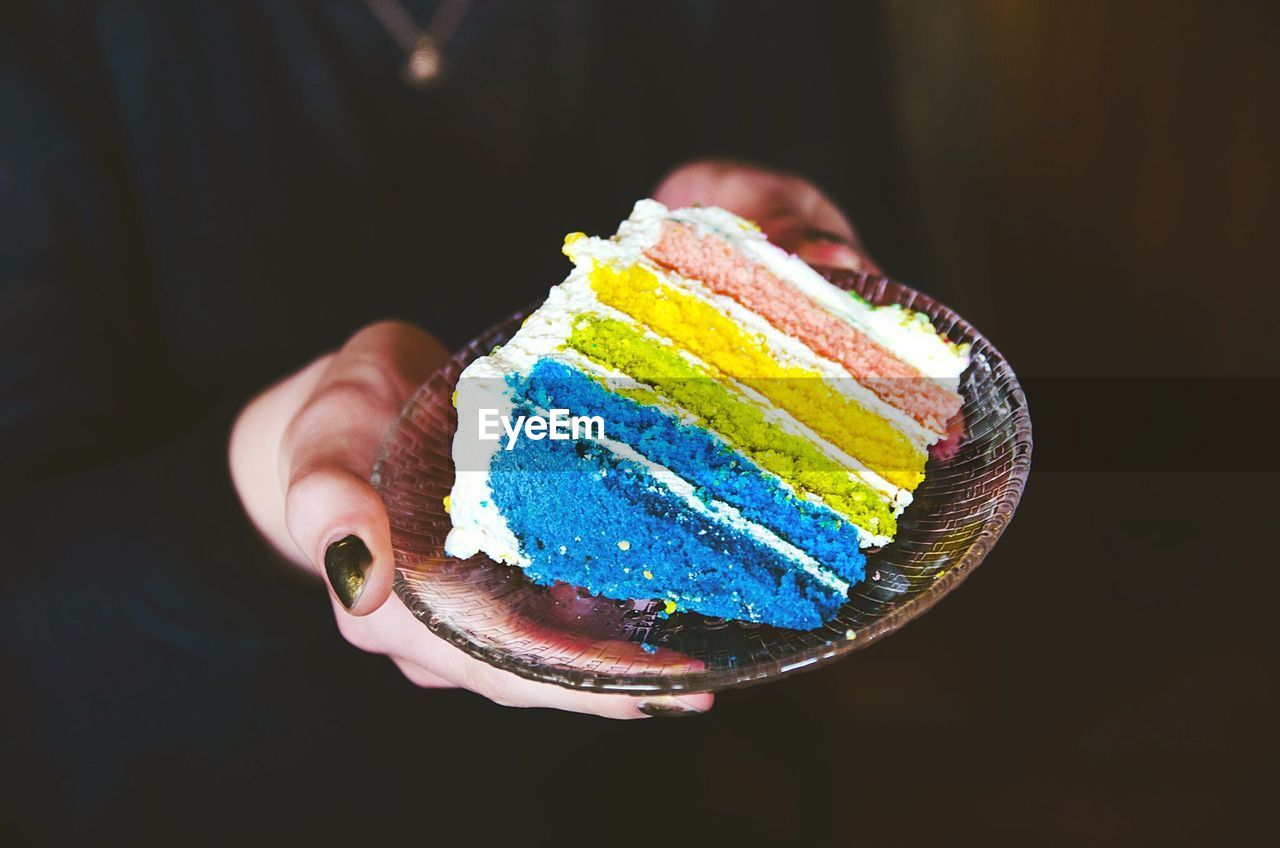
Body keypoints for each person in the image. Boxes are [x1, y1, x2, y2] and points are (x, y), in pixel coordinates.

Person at [1, 1, 910, 834]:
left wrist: (781, 272)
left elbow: (923, 379)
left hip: (666, 783)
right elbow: (35, 617)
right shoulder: (58, 45)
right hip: (227, 784)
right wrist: (272, 466)